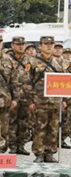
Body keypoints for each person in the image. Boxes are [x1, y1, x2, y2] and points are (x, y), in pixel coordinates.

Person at [29, 35, 65, 163]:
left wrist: (64, 100)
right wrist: (30, 100)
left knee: (53, 128)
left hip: (54, 101)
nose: (49, 46)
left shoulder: (59, 62)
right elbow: (27, 82)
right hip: (39, 101)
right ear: (40, 46)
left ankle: (50, 152)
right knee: (39, 128)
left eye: (51, 44)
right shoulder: (32, 62)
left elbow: (64, 82)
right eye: (46, 44)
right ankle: (39, 153)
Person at [6, 36, 32, 155]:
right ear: (12, 45)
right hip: (12, 95)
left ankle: (21, 145)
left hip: (26, 95)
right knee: (11, 122)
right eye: (18, 44)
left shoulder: (29, 60)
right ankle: (12, 145)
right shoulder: (7, 58)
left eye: (22, 44)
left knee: (24, 122)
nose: (21, 47)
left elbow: (34, 77)